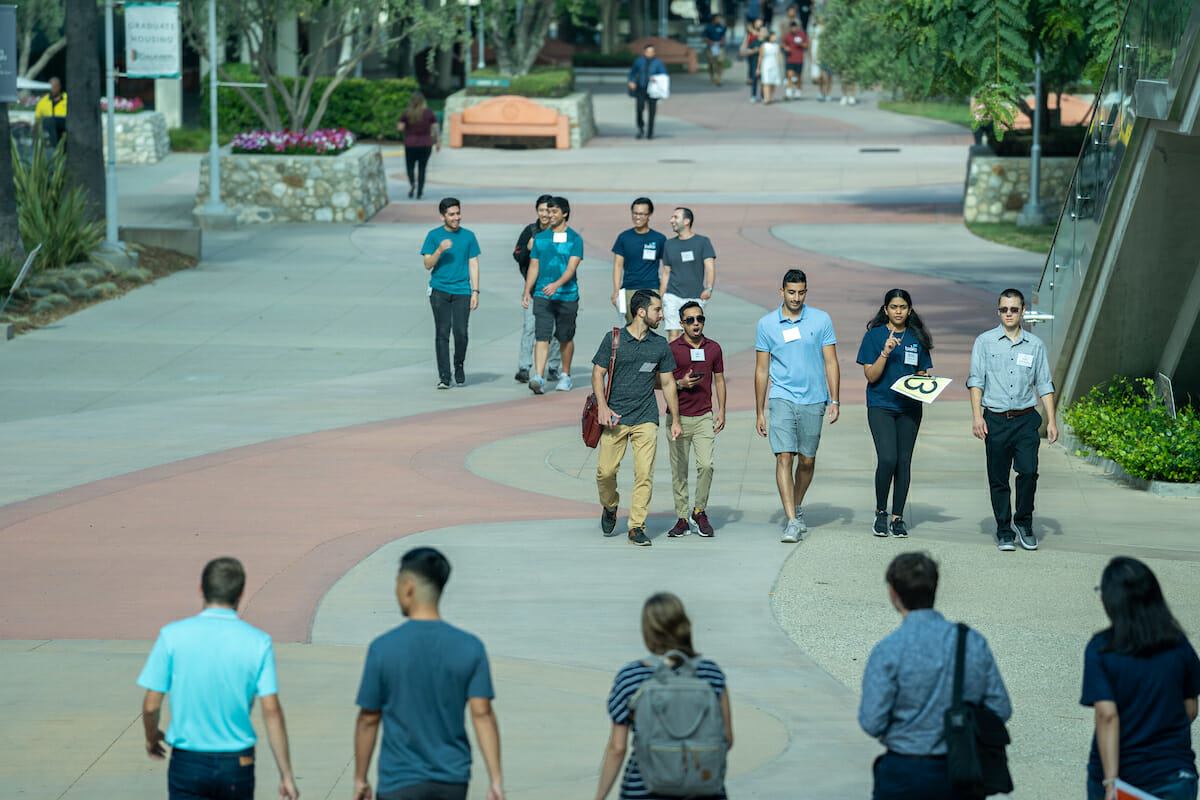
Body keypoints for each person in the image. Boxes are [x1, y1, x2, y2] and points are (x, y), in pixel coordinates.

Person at [137, 557, 299, 800]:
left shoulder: (172, 636)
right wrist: (286, 774)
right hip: (237, 762)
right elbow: (272, 710)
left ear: (201, 589)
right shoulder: (258, 642)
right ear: (241, 593)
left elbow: (151, 705)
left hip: (187, 761)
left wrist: (152, 737)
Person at [353, 547, 504, 800]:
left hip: (398, 781)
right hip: (452, 781)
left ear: (408, 586)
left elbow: (369, 718)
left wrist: (360, 778)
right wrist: (496, 779)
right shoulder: (470, 647)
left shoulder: (383, 648)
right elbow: (482, 714)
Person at [859, 552, 1012, 800]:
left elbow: (871, 721)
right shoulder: (971, 641)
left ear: (893, 592)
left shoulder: (888, 650)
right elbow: (1001, 708)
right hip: (961, 772)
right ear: (934, 588)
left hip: (903, 772)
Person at [594, 592, 733, 800]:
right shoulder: (711, 674)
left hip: (645, 790)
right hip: (704, 788)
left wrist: (599, 797)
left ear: (647, 630)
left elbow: (617, 748)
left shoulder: (631, 677)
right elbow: (726, 739)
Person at [1082, 557, 1200, 800]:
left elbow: (1107, 716)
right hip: (1173, 775)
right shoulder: (1179, 645)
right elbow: (1191, 708)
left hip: (1123, 776)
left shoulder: (1102, 648)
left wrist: (1112, 782)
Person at [967, 288, 1057, 552]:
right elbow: (975, 381)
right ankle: (1004, 529)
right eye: (1004, 309)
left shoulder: (1035, 345)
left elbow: (1044, 384)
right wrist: (976, 416)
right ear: (998, 311)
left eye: (1014, 309)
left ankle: (1024, 522)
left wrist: (1051, 420)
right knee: (998, 477)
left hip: (1026, 419)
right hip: (994, 419)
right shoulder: (984, 342)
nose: (1009, 314)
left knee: (1028, 471)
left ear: (1022, 311)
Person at [754, 269, 840, 544]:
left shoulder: (821, 319)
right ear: (781, 292)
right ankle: (791, 520)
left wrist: (835, 398)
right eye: (791, 292)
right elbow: (761, 369)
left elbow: (831, 362)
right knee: (784, 457)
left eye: (801, 292)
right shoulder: (767, 324)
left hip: (814, 398)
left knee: (807, 460)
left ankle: (797, 505)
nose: (796, 297)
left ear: (806, 291)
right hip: (781, 396)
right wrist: (759, 410)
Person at [593, 290, 683, 547]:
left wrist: (675, 419)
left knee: (644, 473)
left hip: (646, 417)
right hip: (615, 417)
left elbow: (667, 383)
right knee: (605, 472)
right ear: (641, 312)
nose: (662, 315)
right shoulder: (613, 339)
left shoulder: (659, 345)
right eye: (657, 310)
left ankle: (636, 527)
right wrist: (602, 406)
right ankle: (610, 506)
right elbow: (598, 374)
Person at [855, 289, 934, 539]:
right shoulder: (874, 336)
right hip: (881, 406)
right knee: (887, 458)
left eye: (902, 307)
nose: (898, 311)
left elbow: (922, 372)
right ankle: (881, 512)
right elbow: (870, 375)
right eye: (893, 307)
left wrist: (926, 380)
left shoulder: (916, 338)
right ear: (886, 309)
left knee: (904, 461)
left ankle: (898, 517)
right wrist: (886, 352)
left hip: (909, 408)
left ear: (909, 310)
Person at [664, 302, 726, 538]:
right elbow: (660, 381)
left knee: (706, 465)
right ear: (681, 324)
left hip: (703, 417)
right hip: (677, 418)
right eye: (690, 320)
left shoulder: (714, 348)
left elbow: (719, 380)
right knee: (679, 470)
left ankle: (699, 511)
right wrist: (680, 384)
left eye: (699, 318)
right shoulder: (672, 349)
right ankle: (682, 517)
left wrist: (722, 410)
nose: (696, 323)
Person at [523, 196, 582, 394]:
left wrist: (557, 285)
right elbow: (533, 266)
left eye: (554, 211)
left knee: (565, 337)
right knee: (542, 336)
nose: (550, 215)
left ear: (564, 213)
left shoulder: (575, 239)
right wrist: (527, 290)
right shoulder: (540, 238)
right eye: (548, 211)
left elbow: (571, 268)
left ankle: (565, 375)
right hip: (542, 295)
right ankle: (538, 377)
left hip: (567, 295)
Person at [421, 198, 481, 389]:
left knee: (461, 332)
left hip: (462, 290)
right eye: (452, 214)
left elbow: (473, 263)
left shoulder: (469, 236)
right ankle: (444, 377)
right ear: (442, 216)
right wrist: (439, 249)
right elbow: (427, 264)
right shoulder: (433, 236)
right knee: (442, 333)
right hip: (439, 290)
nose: (456, 218)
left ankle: (459, 365)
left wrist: (475, 291)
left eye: (458, 213)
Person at [512, 195, 561, 384]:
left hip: (555, 290)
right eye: (541, 210)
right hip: (533, 291)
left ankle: (554, 367)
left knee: (555, 330)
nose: (545, 214)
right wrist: (528, 248)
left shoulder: (559, 233)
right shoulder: (530, 231)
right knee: (529, 328)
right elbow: (518, 257)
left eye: (548, 210)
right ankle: (524, 367)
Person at [660, 207, 716, 343]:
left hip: (695, 296)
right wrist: (659, 300)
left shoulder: (703, 242)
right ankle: (674, 364)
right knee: (674, 334)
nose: (671, 220)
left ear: (686, 221)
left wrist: (709, 288)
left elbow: (710, 267)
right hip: (672, 295)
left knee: (693, 335)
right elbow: (665, 273)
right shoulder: (669, 244)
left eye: (675, 217)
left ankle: (691, 364)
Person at [611, 198, 667, 324]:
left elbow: (667, 269)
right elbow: (618, 265)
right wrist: (616, 291)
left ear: (650, 215)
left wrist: (661, 294)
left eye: (642, 214)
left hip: (652, 289)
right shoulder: (624, 237)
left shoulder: (659, 239)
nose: (638, 217)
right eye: (635, 213)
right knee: (633, 327)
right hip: (629, 289)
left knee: (649, 327)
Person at [397, 91, 439, 200]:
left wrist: (406, 125)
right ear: (423, 101)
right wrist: (438, 141)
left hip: (410, 144)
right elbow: (436, 128)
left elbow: (400, 128)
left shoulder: (406, 113)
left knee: (410, 167)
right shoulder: (429, 113)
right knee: (422, 168)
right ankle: (420, 193)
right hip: (426, 143)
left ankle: (412, 184)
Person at [627, 44, 667, 140]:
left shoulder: (658, 63)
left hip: (653, 89)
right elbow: (632, 73)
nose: (650, 53)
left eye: (652, 51)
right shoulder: (639, 61)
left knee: (652, 111)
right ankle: (640, 128)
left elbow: (664, 76)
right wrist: (630, 82)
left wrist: (656, 78)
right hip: (641, 88)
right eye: (648, 51)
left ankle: (650, 132)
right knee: (639, 108)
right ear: (644, 52)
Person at [34, 76, 67, 148]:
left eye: (55, 87)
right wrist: (35, 140)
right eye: (51, 87)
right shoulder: (42, 102)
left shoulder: (68, 100)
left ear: (60, 87)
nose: (53, 90)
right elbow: (37, 121)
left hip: (65, 138)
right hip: (49, 139)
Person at [783, 20, 809, 100]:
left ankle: (798, 91)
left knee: (798, 77)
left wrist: (800, 44)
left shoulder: (801, 34)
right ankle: (788, 92)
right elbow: (783, 43)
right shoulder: (787, 35)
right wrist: (785, 47)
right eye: (792, 28)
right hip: (790, 58)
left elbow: (806, 45)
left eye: (795, 27)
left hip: (799, 59)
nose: (794, 29)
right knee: (789, 75)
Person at [757, 31, 784, 105]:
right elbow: (761, 56)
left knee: (773, 82)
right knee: (766, 82)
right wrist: (758, 67)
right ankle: (766, 98)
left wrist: (780, 64)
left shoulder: (776, 46)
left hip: (774, 64)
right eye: (773, 36)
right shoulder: (764, 45)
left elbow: (778, 55)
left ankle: (771, 97)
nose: (775, 38)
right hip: (766, 64)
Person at [740, 20, 764, 102]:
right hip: (752, 56)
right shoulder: (750, 33)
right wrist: (742, 50)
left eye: (760, 24)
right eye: (757, 24)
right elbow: (745, 42)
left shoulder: (762, 33)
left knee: (761, 78)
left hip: (762, 59)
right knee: (753, 74)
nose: (758, 25)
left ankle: (763, 95)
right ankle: (753, 94)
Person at [702, 15, 728, 86]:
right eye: (717, 18)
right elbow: (704, 37)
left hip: (720, 47)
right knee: (711, 63)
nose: (719, 20)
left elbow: (724, 35)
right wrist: (710, 42)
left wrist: (722, 41)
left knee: (720, 62)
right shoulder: (708, 27)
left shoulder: (721, 27)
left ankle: (719, 78)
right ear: (713, 19)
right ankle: (712, 78)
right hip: (711, 47)